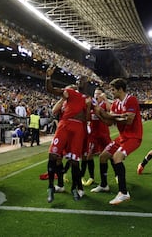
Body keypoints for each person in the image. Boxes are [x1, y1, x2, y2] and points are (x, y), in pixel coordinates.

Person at [91, 78, 143, 205]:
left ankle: (124, 193)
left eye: (113, 90)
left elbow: (129, 120)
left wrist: (110, 115)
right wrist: (99, 114)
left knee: (116, 157)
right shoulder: (115, 104)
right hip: (122, 137)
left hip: (133, 137)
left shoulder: (131, 100)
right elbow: (110, 122)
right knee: (103, 157)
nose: (111, 92)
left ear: (120, 89)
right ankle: (104, 185)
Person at [45, 66, 90, 203]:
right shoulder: (69, 94)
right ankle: (52, 187)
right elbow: (51, 91)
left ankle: (75, 188)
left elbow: (87, 118)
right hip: (64, 125)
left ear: (86, 83)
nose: (78, 81)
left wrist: (87, 107)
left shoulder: (87, 99)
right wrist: (48, 77)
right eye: (77, 79)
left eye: (81, 80)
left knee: (75, 161)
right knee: (53, 155)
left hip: (78, 129)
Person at [81, 87, 111, 186]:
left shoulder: (103, 104)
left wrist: (106, 99)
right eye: (95, 93)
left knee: (111, 154)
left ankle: (117, 176)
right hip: (93, 135)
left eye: (99, 93)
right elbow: (88, 118)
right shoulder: (92, 105)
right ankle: (92, 177)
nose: (96, 95)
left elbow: (110, 109)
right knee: (89, 155)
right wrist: (89, 107)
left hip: (104, 133)